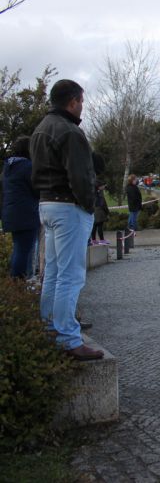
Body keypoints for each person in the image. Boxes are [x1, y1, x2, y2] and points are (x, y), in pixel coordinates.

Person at [30, 79, 102, 360]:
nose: (82, 106)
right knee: (71, 276)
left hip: (46, 204)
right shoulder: (70, 132)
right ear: (73, 101)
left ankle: (49, 327)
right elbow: (80, 176)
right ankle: (68, 338)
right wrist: (88, 205)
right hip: (68, 207)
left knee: (54, 273)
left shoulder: (41, 128)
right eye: (81, 101)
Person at [1, 136, 40, 279]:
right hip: (26, 214)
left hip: (11, 214)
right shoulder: (28, 167)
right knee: (25, 250)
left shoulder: (8, 168)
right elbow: (37, 189)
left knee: (18, 248)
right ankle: (19, 282)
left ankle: (18, 283)